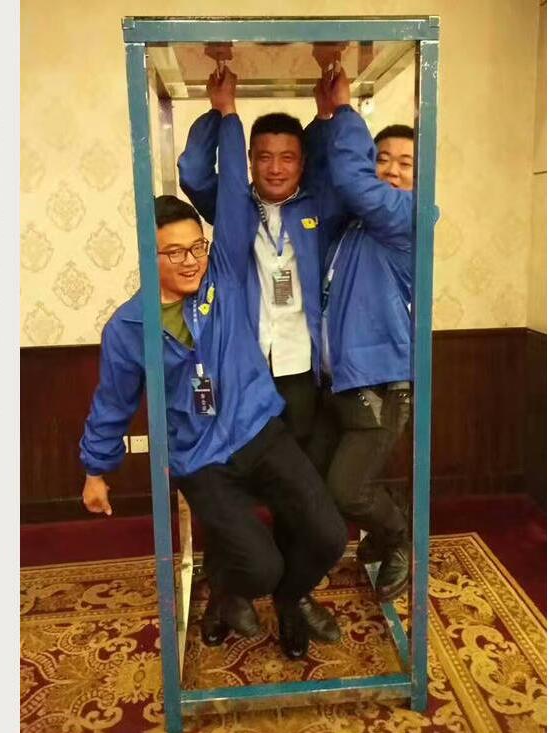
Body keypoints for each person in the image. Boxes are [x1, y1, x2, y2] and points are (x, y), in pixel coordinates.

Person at [80, 189, 347, 660]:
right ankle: (226, 592)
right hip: (199, 458)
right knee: (259, 566)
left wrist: (225, 129)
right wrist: (95, 470)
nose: (191, 261)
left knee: (329, 535)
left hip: (258, 431)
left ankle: (290, 599)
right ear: (148, 254)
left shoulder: (223, 278)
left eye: (196, 247)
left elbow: (232, 192)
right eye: (174, 252)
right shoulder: (127, 328)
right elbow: (112, 402)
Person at [178, 68, 342, 644]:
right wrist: (221, 112)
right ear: (249, 161)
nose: (275, 167)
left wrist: (329, 117)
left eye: (287, 157)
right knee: (227, 491)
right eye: (264, 156)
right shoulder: (232, 209)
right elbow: (193, 172)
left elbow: (343, 170)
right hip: (240, 376)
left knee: (300, 492)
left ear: (301, 162)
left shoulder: (320, 207)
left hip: (299, 374)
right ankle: (231, 590)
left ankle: (293, 598)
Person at [303, 67, 415, 603]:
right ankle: (386, 516)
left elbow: (352, 181)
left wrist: (346, 108)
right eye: (382, 159)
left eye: (405, 163)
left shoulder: (408, 217)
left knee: (347, 491)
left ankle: (398, 536)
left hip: (381, 385)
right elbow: (327, 180)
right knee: (323, 484)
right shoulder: (352, 227)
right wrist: (326, 120)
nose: (390, 170)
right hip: (336, 383)